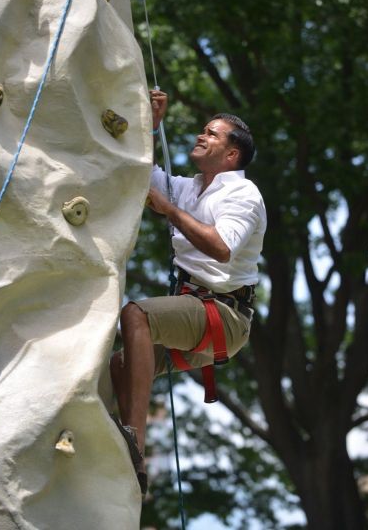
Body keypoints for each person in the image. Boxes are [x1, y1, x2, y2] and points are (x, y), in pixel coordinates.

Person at [109, 89, 266, 496]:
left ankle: (134, 439)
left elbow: (222, 247)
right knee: (117, 367)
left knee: (136, 315)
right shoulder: (188, 188)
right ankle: (124, 462)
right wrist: (152, 125)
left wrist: (170, 211)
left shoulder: (242, 195)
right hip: (199, 311)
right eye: (203, 130)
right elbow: (141, 171)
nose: (201, 135)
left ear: (231, 154)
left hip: (224, 316)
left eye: (211, 134)